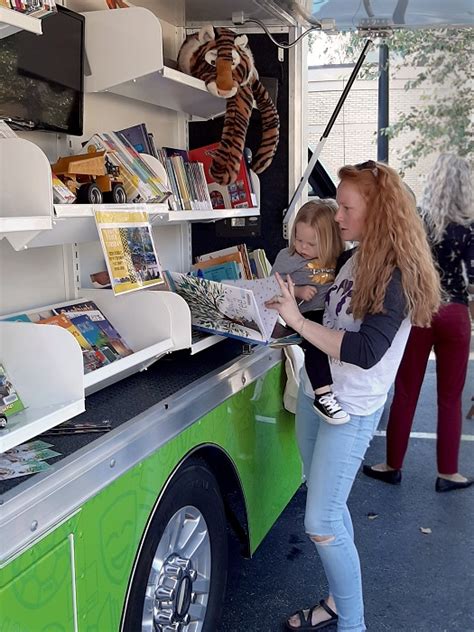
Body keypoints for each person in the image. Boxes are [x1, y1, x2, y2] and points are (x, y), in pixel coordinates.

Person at [266, 159, 441, 632]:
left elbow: (364, 351)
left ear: (379, 212)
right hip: (316, 394)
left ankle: (354, 622)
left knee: (320, 521)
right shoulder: (354, 256)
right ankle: (340, 602)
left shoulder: (398, 274)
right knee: (330, 507)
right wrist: (284, 307)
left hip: (352, 409)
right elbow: (328, 317)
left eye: (346, 207)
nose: (336, 217)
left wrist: (299, 322)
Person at [363, 153, 473, 493]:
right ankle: (448, 473)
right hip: (456, 314)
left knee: (406, 392)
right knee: (450, 397)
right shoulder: (471, 228)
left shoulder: (421, 221)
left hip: (421, 310)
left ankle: (392, 465)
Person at [271, 200, 349, 423]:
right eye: (298, 239)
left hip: (332, 313)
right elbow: (273, 285)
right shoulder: (288, 258)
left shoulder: (338, 258)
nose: (303, 247)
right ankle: (323, 394)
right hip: (305, 314)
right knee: (316, 342)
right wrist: (298, 290)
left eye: (311, 244)